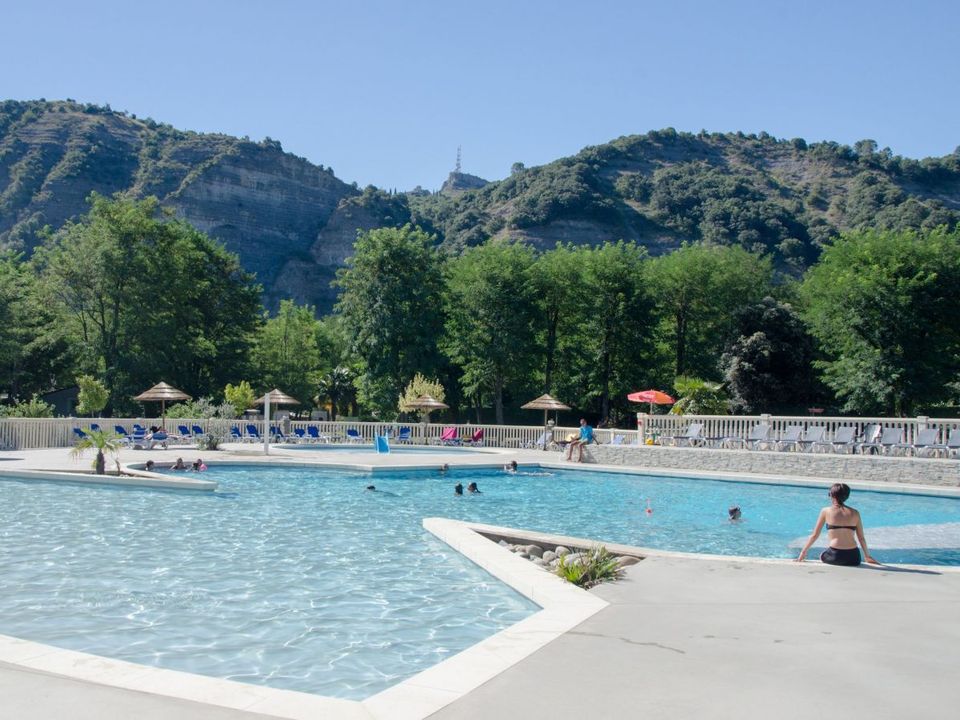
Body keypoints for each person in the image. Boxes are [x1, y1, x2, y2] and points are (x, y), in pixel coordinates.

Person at [796, 483, 879, 566]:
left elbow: (815, 535)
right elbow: (861, 538)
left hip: (835, 555)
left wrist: (803, 552)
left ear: (832, 495)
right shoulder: (855, 513)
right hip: (854, 558)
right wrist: (867, 556)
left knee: (821, 555)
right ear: (847, 496)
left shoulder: (826, 511)